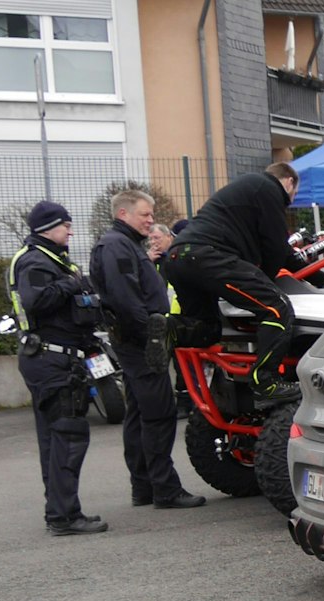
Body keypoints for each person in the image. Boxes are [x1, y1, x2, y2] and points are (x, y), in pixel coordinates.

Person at [90, 189, 204, 510]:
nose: (151, 220)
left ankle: (144, 486)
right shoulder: (117, 247)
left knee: (140, 413)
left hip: (136, 339)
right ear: (123, 214)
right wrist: (152, 337)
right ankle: (165, 489)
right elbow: (127, 301)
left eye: (152, 215)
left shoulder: (122, 245)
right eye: (145, 214)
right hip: (140, 342)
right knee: (159, 414)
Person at [163, 162, 303, 401]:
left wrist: (322, 279)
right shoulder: (269, 188)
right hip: (208, 255)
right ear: (289, 182)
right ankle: (265, 382)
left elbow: (284, 254)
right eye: (294, 193)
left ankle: (170, 329)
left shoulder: (246, 191)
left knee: (208, 328)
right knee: (277, 308)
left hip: (178, 256)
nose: (290, 199)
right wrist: (267, 284)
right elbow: (277, 248)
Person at [9, 201, 107, 535]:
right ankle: (64, 516)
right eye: (66, 225)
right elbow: (35, 300)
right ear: (48, 228)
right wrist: (73, 283)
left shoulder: (48, 258)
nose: (71, 230)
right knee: (67, 435)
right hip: (51, 359)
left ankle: (61, 512)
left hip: (50, 357)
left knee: (56, 438)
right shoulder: (36, 260)